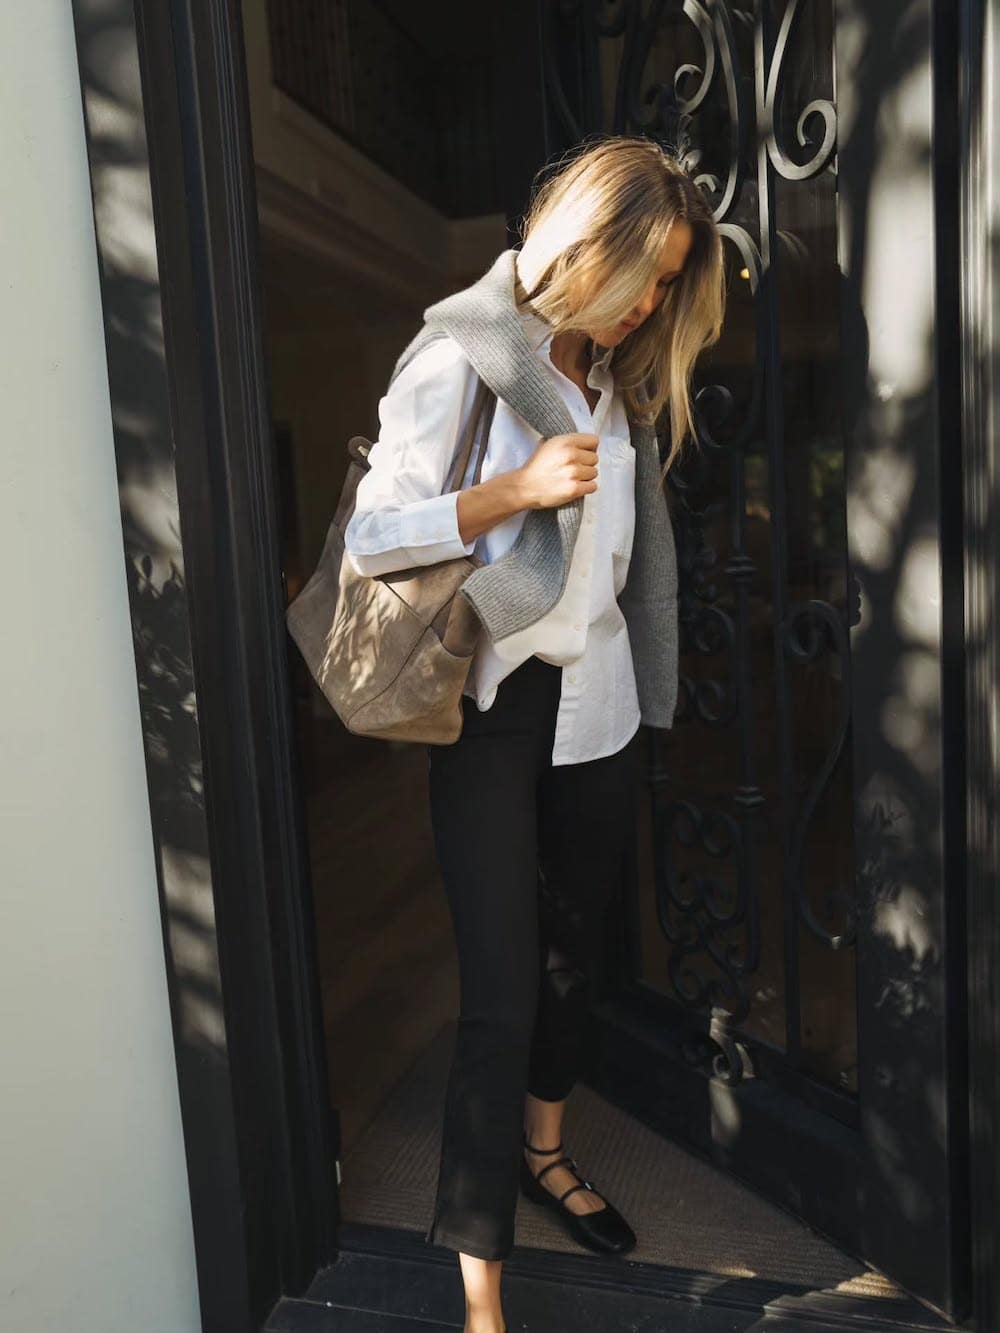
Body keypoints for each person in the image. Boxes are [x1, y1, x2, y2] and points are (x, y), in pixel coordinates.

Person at [344, 135, 725, 1333]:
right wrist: (512, 492)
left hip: (598, 705)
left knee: (571, 965)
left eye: (668, 282)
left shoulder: (614, 378)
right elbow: (372, 537)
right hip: (495, 707)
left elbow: (614, 560)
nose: (651, 301)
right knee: (501, 990)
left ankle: (547, 1156)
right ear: (586, 244)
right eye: (645, 273)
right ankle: (482, 1292)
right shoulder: (461, 354)